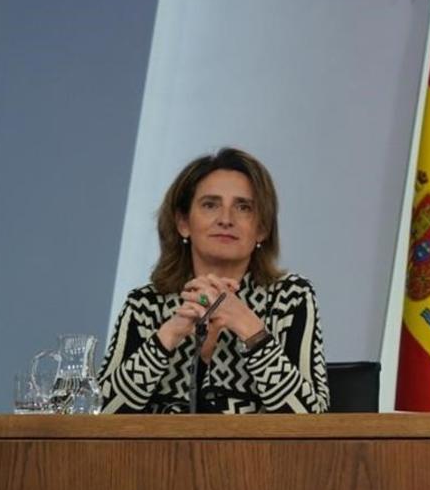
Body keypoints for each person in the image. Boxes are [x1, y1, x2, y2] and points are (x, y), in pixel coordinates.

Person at [99, 148, 329, 413]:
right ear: (183, 222)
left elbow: (310, 419)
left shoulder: (290, 297)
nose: (225, 220)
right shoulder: (146, 304)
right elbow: (102, 415)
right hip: (158, 454)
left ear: (262, 229)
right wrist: (169, 334)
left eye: (243, 207)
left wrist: (248, 326)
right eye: (210, 205)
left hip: (255, 454)